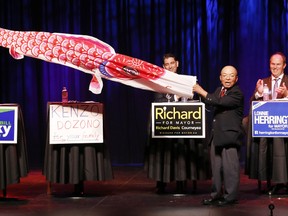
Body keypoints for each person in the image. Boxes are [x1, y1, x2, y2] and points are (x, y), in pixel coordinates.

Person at [145, 53, 208, 194]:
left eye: (171, 63)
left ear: (177, 64)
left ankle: (182, 183)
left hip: (183, 124)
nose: (169, 66)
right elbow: (157, 102)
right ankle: (161, 183)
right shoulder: (158, 82)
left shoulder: (187, 80)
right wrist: (175, 97)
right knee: (164, 154)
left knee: (182, 154)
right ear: (163, 66)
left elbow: (196, 99)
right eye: (166, 64)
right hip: (165, 125)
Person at [193, 65, 244, 206]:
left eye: (231, 75)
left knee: (230, 169)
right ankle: (215, 195)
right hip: (216, 136)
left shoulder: (237, 93)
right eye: (225, 75)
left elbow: (219, 102)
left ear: (236, 78)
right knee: (216, 169)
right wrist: (196, 92)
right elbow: (210, 102)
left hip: (229, 137)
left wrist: (201, 91)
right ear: (220, 77)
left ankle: (230, 197)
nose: (228, 78)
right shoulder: (218, 90)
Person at [247, 52, 288, 194]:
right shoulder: (263, 82)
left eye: (278, 64)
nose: (275, 67)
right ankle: (272, 180)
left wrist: (287, 95)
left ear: (284, 65)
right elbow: (252, 104)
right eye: (272, 64)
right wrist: (258, 94)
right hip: (267, 127)